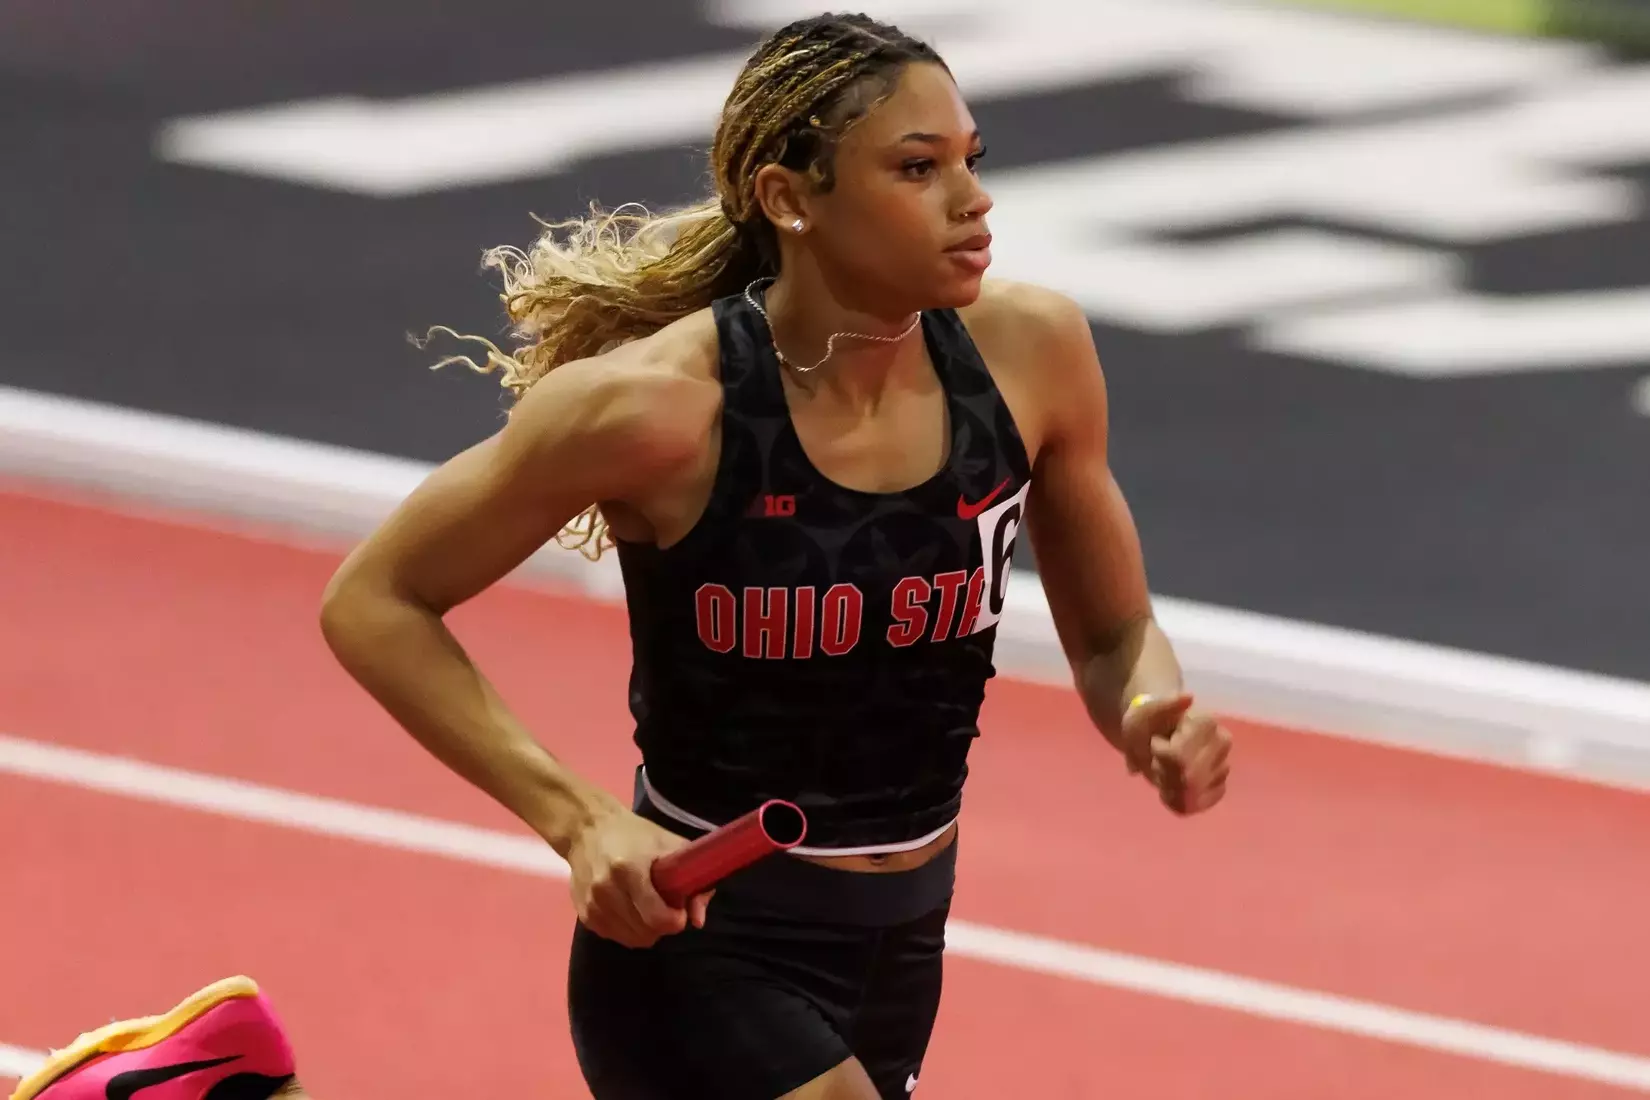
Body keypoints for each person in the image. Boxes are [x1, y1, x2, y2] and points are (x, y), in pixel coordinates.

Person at [11, 12, 1232, 1100]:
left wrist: (1144, 708)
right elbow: (376, 598)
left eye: (973, 161)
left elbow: (1114, 629)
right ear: (790, 196)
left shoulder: (1032, 356)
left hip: (904, 934)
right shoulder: (658, 410)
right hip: (702, 938)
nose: (973, 201)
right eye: (918, 169)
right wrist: (583, 821)